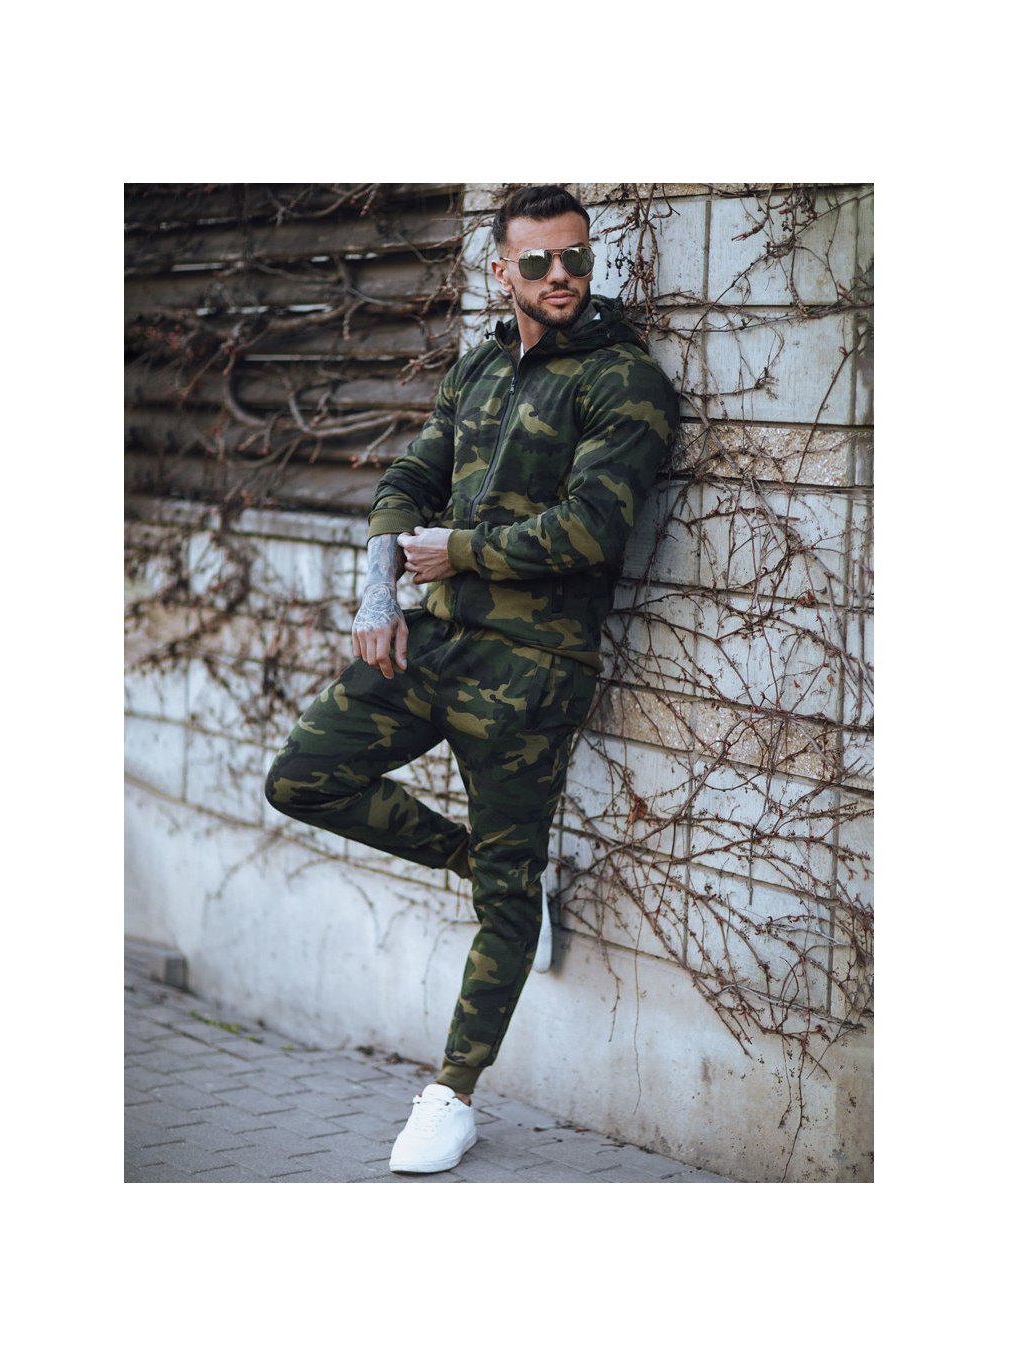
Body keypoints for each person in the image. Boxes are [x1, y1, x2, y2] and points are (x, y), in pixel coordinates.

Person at [265, 184, 679, 1175]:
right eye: (537, 262)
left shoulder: (623, 379)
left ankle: (451, 1096)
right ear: (502, 271)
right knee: (302, 779)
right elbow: (411, 476)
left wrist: (460, 550)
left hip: (531, 671)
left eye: (575, 257)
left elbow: (593, 529)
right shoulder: (481, 365)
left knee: (507, 891)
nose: (560, 276)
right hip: (433, 642)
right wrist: (378, 590)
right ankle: (480, 863)